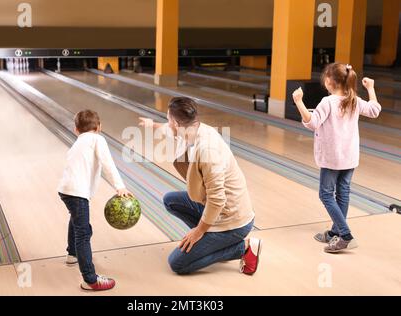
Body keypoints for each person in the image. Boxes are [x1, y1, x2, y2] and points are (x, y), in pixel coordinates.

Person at [139, 97, 262, 275]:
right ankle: (208, 242)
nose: (168, 123)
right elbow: (168, 129)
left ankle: (242, 248)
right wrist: (152, 125)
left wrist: (198, 231)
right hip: (217, 209)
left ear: (175, 122)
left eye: (168, 119)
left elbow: (217, 200)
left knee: (177, 264)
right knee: (170, 201)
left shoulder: (207, 150)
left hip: (233, 220)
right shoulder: (191, 130)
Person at [292, 63, 381, 253]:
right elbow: (374, 110)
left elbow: (313, 122)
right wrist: (371, 89)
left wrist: (299, 101)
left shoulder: (328, 102)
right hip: (349, 157)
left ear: (330, 82)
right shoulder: (353, 99)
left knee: (325, 194)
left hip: (332, 158)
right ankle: (335, 232)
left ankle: (345, 235)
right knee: (343, 193)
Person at [58, 110, 132, 291]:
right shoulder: (98, 139)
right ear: (99, 127)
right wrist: (119, 186)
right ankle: (90, 279)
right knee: (83, 233)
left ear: (76, 129)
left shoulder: (78, 142)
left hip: (66, 190)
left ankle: (72, 254)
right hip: (77, 193)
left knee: (75, 220)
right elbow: (108, 163)